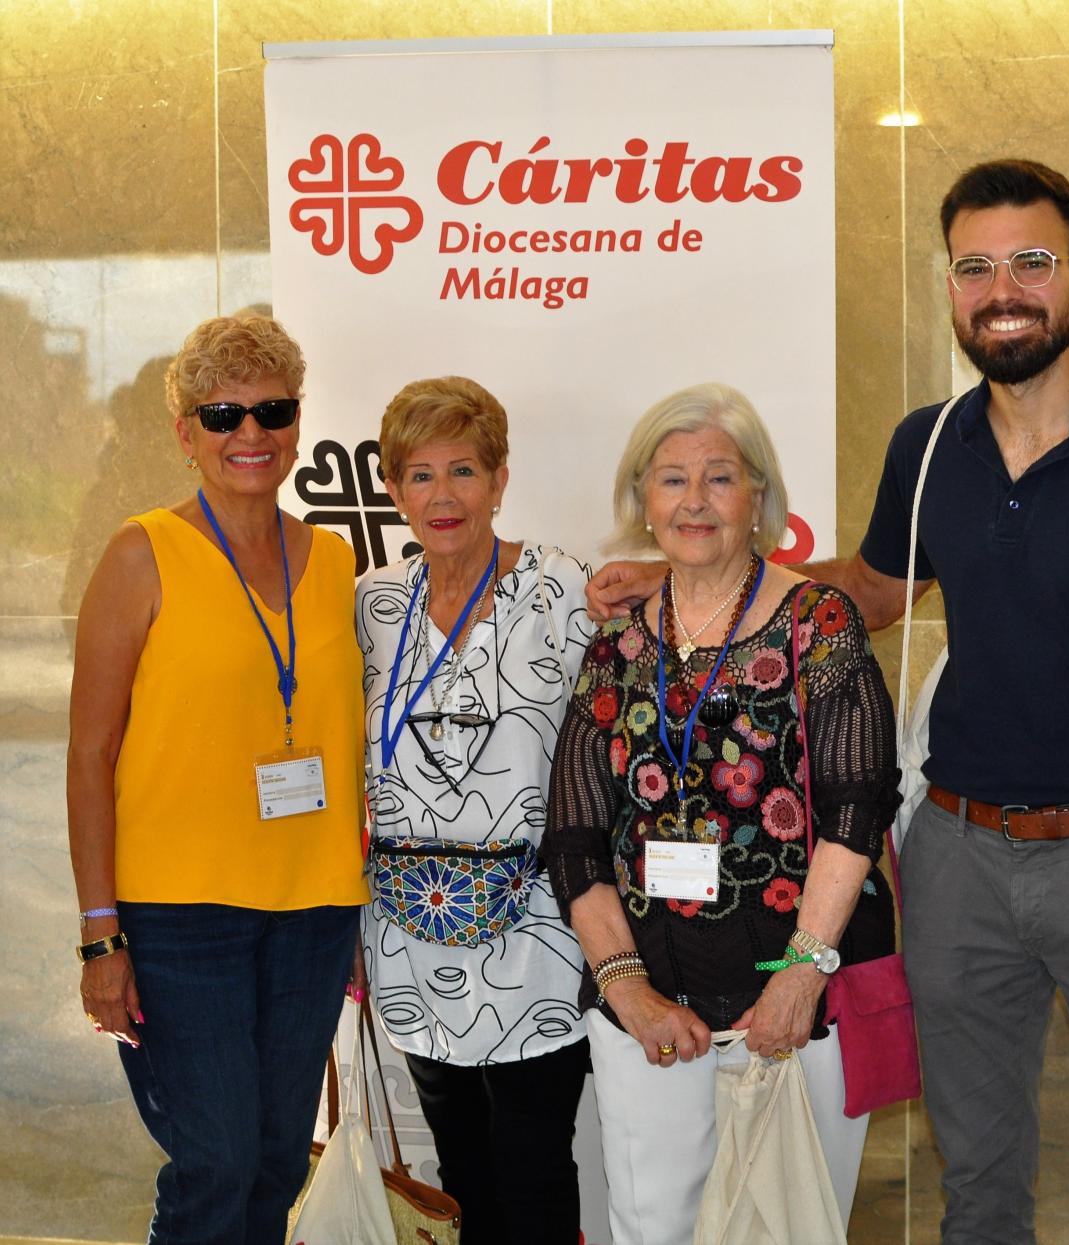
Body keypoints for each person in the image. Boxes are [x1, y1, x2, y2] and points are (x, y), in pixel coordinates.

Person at [586, 161, 1069, 1244]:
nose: (1002, 289)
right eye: (975, 267)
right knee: (975, 1175)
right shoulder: (926, 444)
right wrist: (703, 572)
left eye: (1030, 263)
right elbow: (868, 591)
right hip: (954, 858)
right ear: (950, 288)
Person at [543, 382, 899, 1245]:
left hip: (796, 997)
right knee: (652, 1224)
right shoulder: (618, 641)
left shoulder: (822, 625)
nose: (694, 500)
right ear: (643, 501)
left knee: (793, 1223)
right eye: (670, 479)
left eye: (719, 478)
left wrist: (801, 974)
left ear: (760, 500)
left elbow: (857, 814)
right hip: (649, 997)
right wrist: (625, 988)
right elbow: (576, 835)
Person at [66, 314, 368, 1244]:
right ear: (184, 430)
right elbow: (90, 753)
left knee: (278, 1158)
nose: (250, 432)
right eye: (223, 412)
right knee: (217, 1160)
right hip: (177, 918)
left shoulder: (334, 562)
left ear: (297, 419)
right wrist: (97, 937)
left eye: (271, 409)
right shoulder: (140, 553)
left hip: (313, 913)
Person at [357, 376, 594, 1245]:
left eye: (464, 469)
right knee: (458, 1167)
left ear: (499, 479)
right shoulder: (374, 603)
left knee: (534, 1163)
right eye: (419, 475)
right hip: (408, 932)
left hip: (536, 926)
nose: (443, 495)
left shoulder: (563, 588)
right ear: (392, 489)